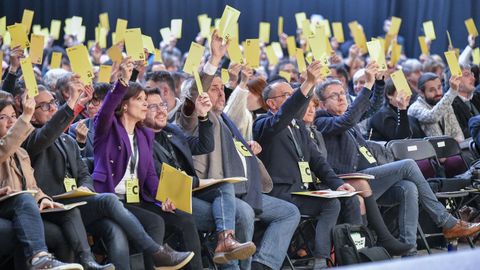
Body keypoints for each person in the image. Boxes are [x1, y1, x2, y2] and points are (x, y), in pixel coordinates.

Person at [253, 61, 412, 269]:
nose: (292, 98)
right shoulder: (265, 125)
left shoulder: (298, 126)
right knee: (334, 203)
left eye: (292, 94)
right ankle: (324, 258)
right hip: (281, 193)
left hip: (304, 192)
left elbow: (317, 160)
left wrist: (338, 185)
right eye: (286, 95)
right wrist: (308, 83)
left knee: (344, 200)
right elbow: (284, 115)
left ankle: (344, 256)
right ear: (271, 103)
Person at [314, 69, 480, 253]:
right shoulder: (322, 120)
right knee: (408, 165)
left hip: (372, 179)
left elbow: (372, 108)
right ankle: (446, 222)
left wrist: (377, 84)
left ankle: (409, 249)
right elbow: (349, 118)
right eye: (334, 95)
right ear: (321, 104)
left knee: (408, 188)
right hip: (352, 181)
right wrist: (367, 85)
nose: (341, 98)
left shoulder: (345, 118)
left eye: (342, 93)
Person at [177, 30, 301, 270]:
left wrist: (247, 149)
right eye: (213, 88)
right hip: (214, 191)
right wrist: (214, 59)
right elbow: (195, 94)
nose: (220, 92)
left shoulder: (225, 120)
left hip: (247, 190)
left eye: (221, 88)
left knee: (289, 212)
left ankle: (262, 265)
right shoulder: (194, 117)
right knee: (242, 213)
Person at [92, 57, 195, 269]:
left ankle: (155, 262)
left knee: (157, 220)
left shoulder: (144, 135)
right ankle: (159, 256)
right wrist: (122, 80)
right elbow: (106, 110)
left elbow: (149, 176)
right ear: (124, 105)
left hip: (135, 199)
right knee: (140, 227)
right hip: (109, 199)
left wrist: (163, 199)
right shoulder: (106, 129)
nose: (145, 104)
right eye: (140, 100)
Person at [144, 87, 257, 265]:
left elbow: (204, 146)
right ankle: (225, 242)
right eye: (153, 107)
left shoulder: (172, 131)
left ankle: (225, 240)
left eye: (162, 105)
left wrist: (203, 116)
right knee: (232, 216)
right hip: (168, 198)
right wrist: (201, 181)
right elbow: (160, 176)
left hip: (192, 191)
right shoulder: (141, 139)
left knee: (225, 189)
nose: (160, 110)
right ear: (141, 110)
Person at [0, 96, 82, 270]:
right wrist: (25, 117)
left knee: (60, 234)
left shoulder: (21, 152)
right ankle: (39, 257)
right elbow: (5, 148)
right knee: (23, 205)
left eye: (13, 116)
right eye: (2, 117)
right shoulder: (7, 147)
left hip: (20, 209)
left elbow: (32, 187)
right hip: (6, 208)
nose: (10, 121)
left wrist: (42, 198)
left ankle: (58, 261)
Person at [408, 72, 464, 142]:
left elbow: (457, 132)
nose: (438, 93)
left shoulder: (445, 103)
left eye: (439, 87)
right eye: (432, 90)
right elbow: (432, 117)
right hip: (430, 151)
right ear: (421, 93)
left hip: (451, 149)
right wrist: (452, 92)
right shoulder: (414, 108)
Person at [451, 65, 479, 138]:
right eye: (467, 75)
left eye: (472, 75)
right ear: (454, 80)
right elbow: (463, 133)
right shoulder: (451, 105)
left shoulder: (477, 97)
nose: (473, 78)